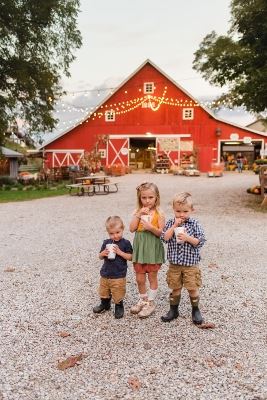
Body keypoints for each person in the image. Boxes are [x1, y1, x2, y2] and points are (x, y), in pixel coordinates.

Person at [161, 192, 206, 325]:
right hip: (174, 264)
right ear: (173, 210)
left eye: (185, 211)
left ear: (192, 210)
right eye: (178, 211)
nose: (181, 214)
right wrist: (174, 226)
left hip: (190, 264)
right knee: (175, 287)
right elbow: (165, 238)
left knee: (192, 287)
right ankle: (173, 310)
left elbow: (200, 241)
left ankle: (195, 310)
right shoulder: (171, 222)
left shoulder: (194, 224)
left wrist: (187, 238)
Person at [129, 182, 165, 318]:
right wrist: (138, 215)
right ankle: (142, 299)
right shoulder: (137, 212)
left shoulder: (159, 213)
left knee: (152, 276)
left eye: (150, 197)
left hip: (152, 248)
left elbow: (161, 233)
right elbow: (132, 229)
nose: (147, 200)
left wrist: (150, 227)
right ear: (140, 198)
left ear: (156, 198)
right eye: (144, 198)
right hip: (140, 248)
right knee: (139, 278)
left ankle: (150, 302)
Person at [93, 216, 133, 319]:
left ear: (122, 229)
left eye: (117, 232)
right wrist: (102, 253)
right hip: (106, 273)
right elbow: (100, 257)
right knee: (103, 290)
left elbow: (130, 257)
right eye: (111, 233)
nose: (115, 236)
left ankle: (119, 305)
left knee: (118, 291)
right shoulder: (106, 243)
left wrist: (120, 252)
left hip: (118, 274)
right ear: (108, 232)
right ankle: (105, 303)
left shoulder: (125, 243)